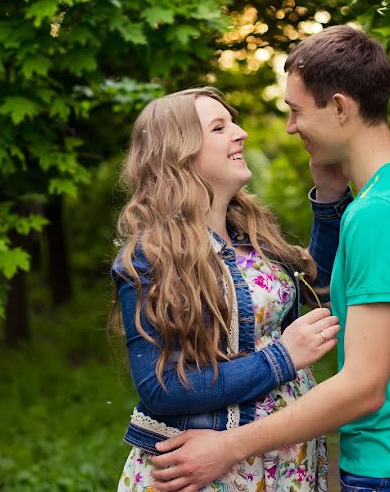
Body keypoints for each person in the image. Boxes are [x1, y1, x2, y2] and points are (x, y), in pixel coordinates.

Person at [150, 25, 390, 492]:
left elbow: (363, 385)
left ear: (341, 107)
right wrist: (328, 197)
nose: (290, 127)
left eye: (296, 111)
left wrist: (229, 446)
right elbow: (322, 295)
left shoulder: (377, 216)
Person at [110, 86, 354, 490]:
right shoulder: (151, 256)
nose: (240, 133)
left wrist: (329, 195)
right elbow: (161, 387)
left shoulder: (253, 237)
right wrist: (282, 357)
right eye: (220, 127)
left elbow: (320, 287)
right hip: (212, 471)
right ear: (179, 153)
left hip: (282, 461)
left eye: (234, 122)